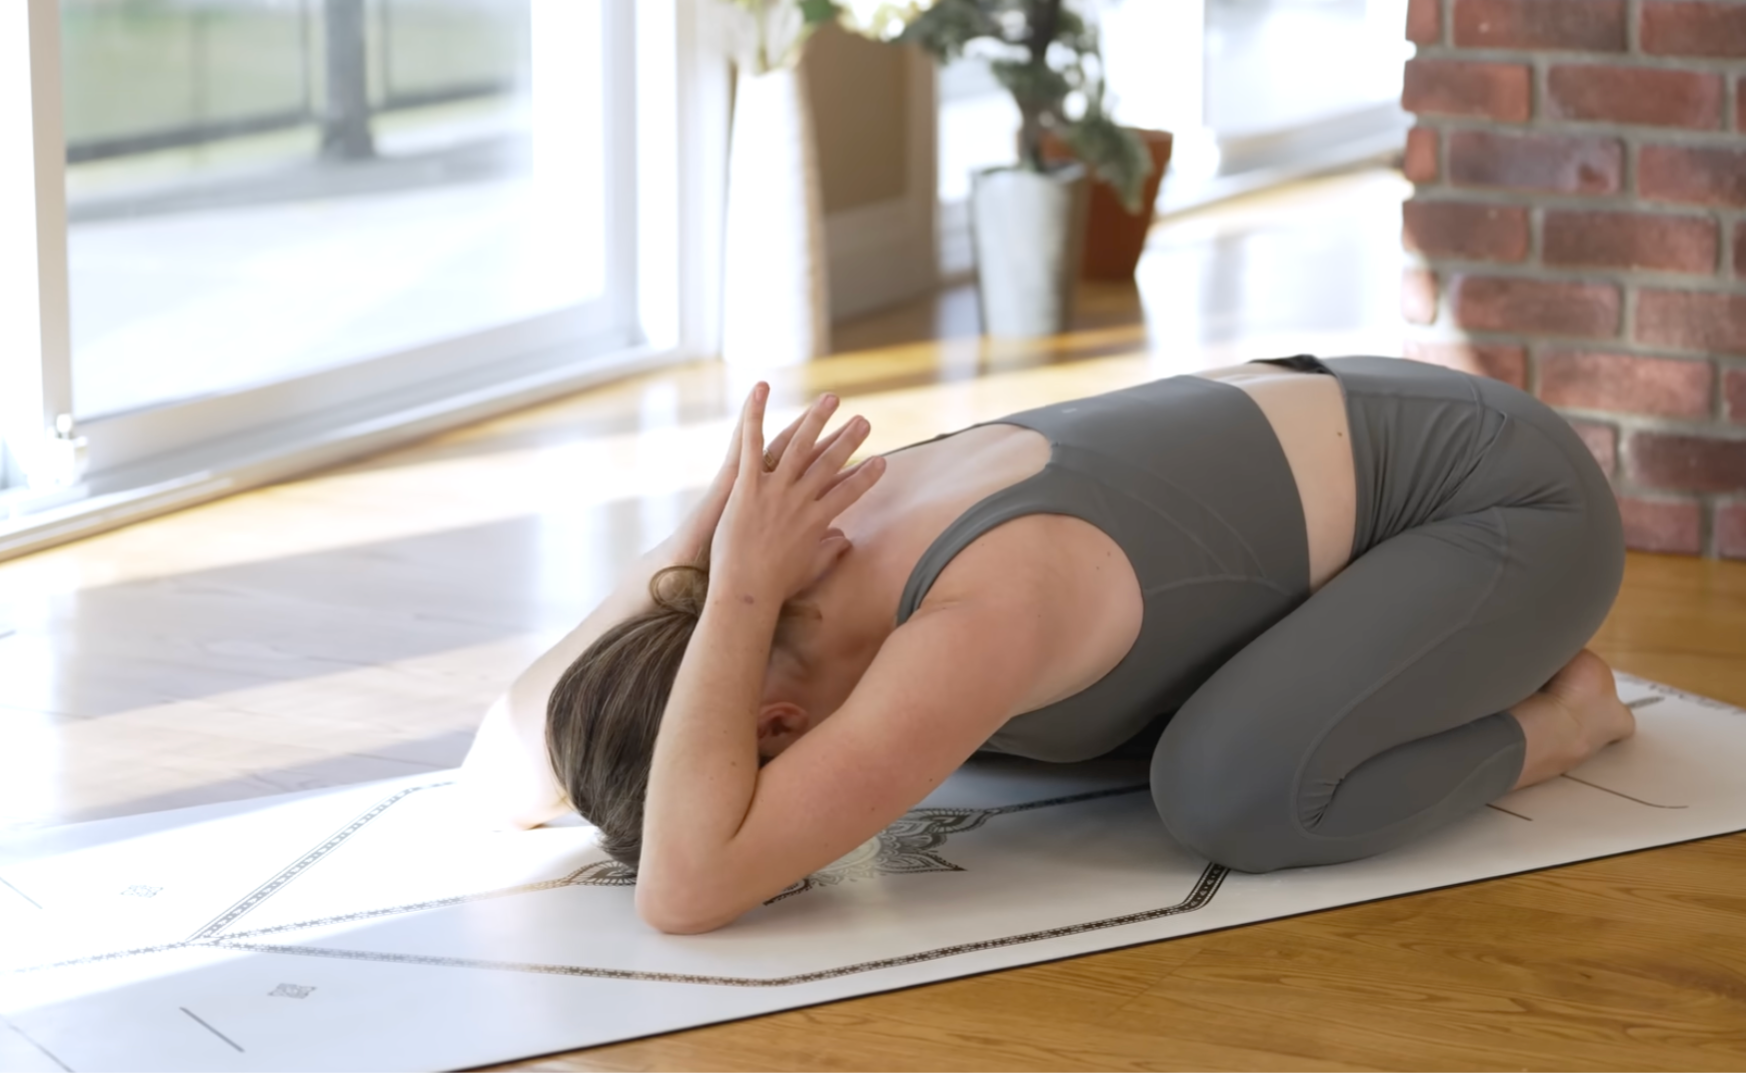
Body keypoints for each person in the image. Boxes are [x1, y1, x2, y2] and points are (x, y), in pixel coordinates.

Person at [458, 355, 1635, 934]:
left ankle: (1568, 713)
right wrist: (696, 551)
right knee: (1034, 744)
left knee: (1236, 792)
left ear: (776, 727)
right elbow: (500, 774)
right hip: (1371, 451)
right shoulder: (773, 566)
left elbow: (685, 888)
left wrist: (714, 594)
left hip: (1503, 503)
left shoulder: (974, 615)